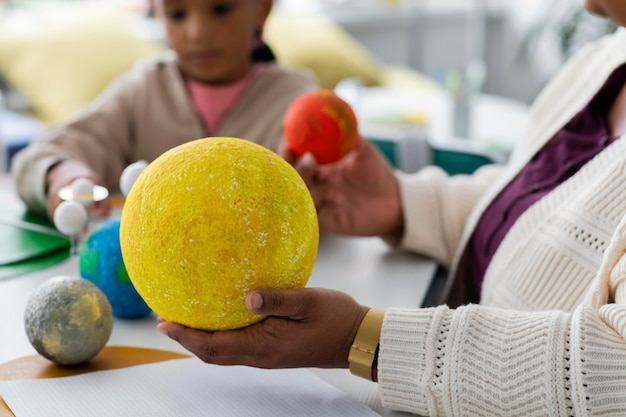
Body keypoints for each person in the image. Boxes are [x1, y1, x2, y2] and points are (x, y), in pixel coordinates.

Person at [157, 0, 626, 415]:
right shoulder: (604, 57)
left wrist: (362, 341)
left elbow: (615, 375)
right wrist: (402, 203)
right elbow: (532, 207)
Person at [11, 0, 317, 220]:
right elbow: (37, 156)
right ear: (156, 12)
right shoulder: (142, 89)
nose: (197, 32)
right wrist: (60, 172)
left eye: (222, 9)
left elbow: (333, 193)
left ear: (262, 8)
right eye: (177, 14)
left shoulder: (297, 101)